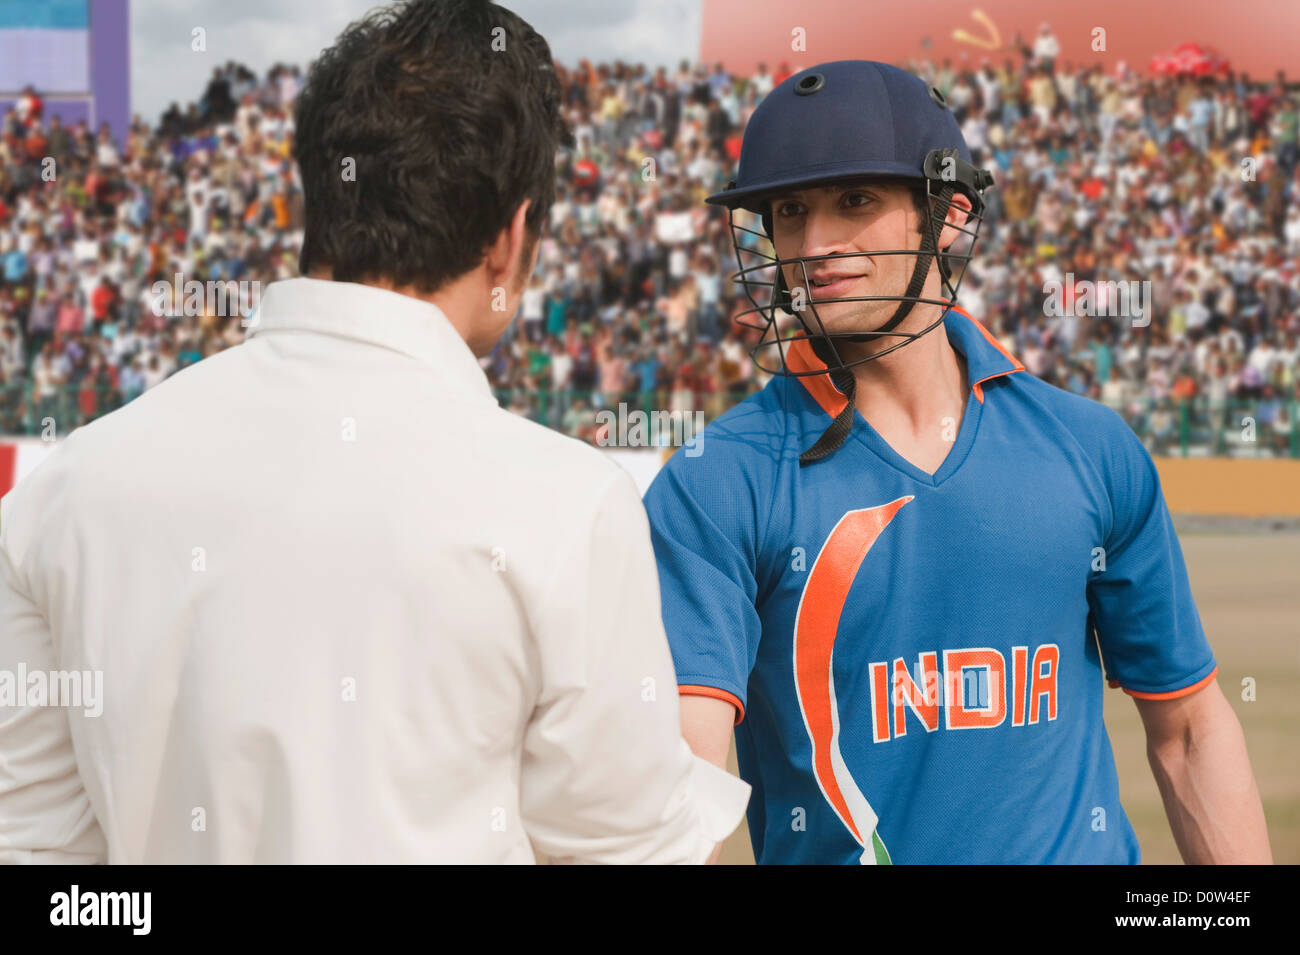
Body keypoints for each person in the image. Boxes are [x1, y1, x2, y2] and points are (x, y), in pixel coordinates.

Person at [0, 0, 747, 864]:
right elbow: (630, 852)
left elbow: (41, 862)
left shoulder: (61, 492)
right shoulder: (563, 506)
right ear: (513, 239)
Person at [643, 60, 1271, 865]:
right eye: (790, 211)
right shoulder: (714, 480)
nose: (815, 245)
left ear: (949, 215)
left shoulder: (1090, 447)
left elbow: (1188, 730)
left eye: (856, 201)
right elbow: (680, 783)